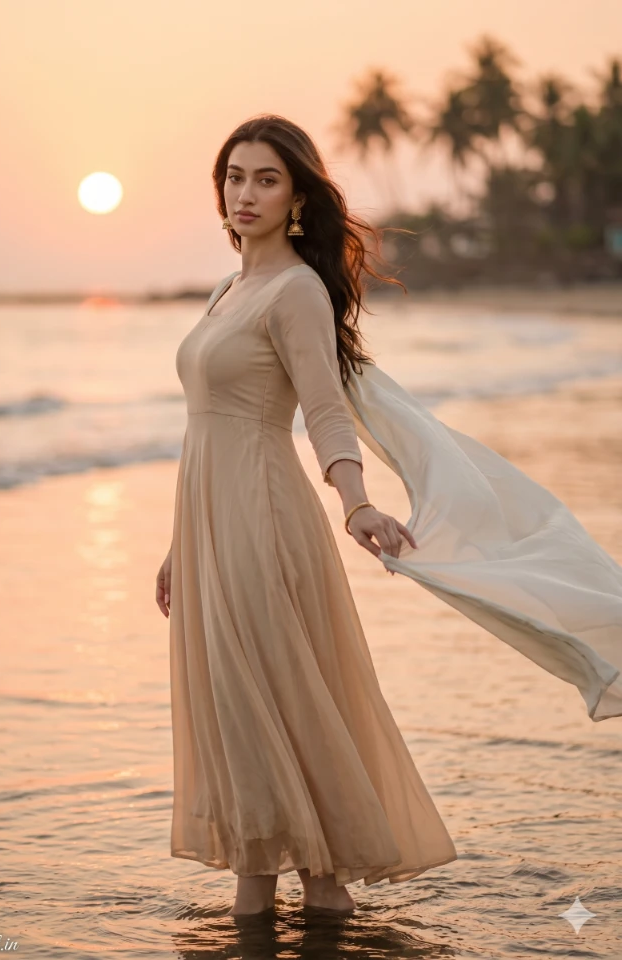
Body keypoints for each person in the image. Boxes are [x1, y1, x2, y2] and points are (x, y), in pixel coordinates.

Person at [155, 113, 458, 917]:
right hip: (211, 528)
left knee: (265, 714)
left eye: (265, 179)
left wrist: (354, 501)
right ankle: (314, 909)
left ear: (296, 198)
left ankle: (281, 910)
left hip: (261, 521)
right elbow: (204, 430)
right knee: (249, 719)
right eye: (232, 176)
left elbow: (323, 410)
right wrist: (179, 547)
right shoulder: (229, 289)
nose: (243, 193)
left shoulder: (294, 291)